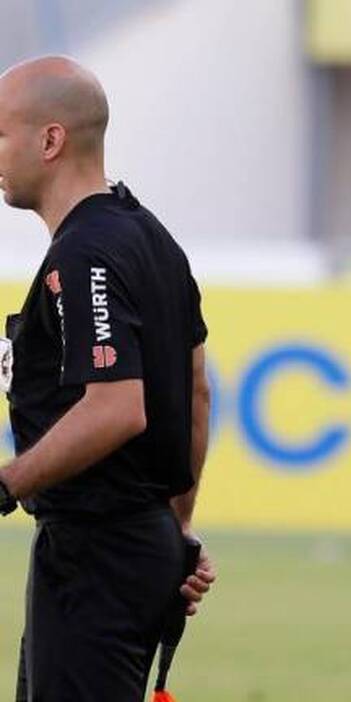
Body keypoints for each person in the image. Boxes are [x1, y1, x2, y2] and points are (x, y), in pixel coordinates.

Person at [0, 55, 215, 701]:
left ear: (50, 140)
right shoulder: (152, 238)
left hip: (95, 554)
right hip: (130, 548)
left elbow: (118, 407)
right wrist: (175, 529)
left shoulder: (84, 254)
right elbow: (196, 392)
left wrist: (6, 483)